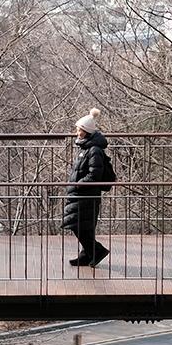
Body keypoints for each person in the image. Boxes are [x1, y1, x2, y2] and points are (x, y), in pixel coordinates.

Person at [61, 108, 111, 267]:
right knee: (83, 225)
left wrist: (77, 184)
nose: (77, 132)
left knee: (78, 225)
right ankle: (86, 254)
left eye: (79, 130)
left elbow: (94, 174)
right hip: (82, 193)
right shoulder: (86, 147)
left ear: (87, 131)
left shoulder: (94, 150)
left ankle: (97, 251)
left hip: (86, 194)